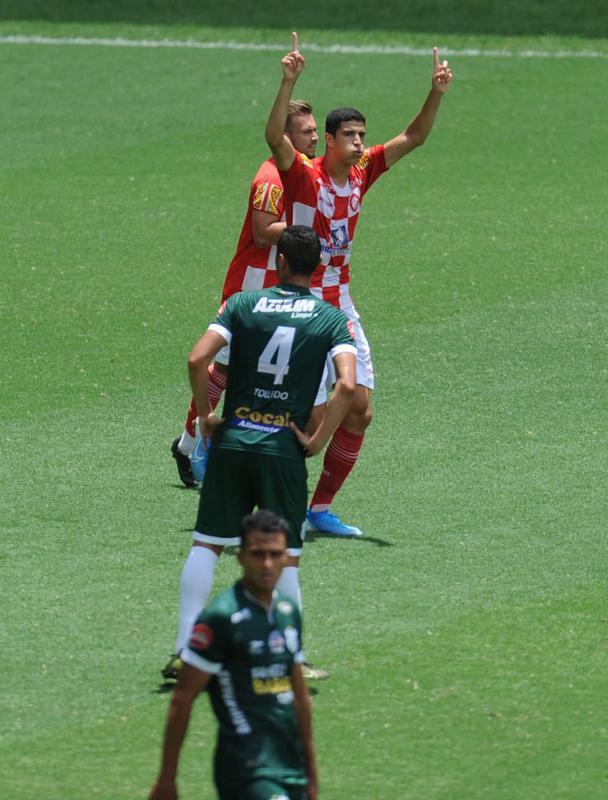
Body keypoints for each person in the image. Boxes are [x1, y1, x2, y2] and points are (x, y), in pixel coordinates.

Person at [265, 34, 453, 537]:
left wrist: (435, 93)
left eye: (361, 135)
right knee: (315, 412)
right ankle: (273, 481)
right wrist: (288, 82)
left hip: (340, 302)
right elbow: (274, 137)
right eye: (348, 134)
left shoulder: (364, 170)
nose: (357, 142)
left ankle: (320, 509)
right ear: (328, 140)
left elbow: (414, 136)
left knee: (361, 411)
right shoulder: (305, 175)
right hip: (304, 304)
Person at [162, 225, 356, 679]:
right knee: (286, 554)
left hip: (233, 442)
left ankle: (184, 650)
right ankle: (291, 659)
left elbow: (197, 359)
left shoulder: (241, 304)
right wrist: (318, 439)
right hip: (283, 450)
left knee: (207, 544)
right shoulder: (330, 319)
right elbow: (347, 385)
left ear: (279, 261)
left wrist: (206, 416)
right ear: (317, 267)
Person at [171, 100, 319, 487]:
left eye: (316, 129)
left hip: (278, 283)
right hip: (251, 285)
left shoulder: (304, 171)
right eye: (306, 131)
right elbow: (262, 232)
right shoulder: (270, 179)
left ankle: (204, 446)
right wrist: (308, 225)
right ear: (285, 137)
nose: (315, 136)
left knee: (251, 370)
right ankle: (192, 444)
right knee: (224, 368)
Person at [150, 510, 317, 800]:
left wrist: (311, 771)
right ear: (240, 557)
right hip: (247, 768)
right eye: (258, 554)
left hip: (290, 765)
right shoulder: (221, 618)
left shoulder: (288, 612)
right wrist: (167, 778)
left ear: (286, 558)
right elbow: (182, 698)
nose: (267, 564)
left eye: (275, 554)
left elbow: (299, 698)